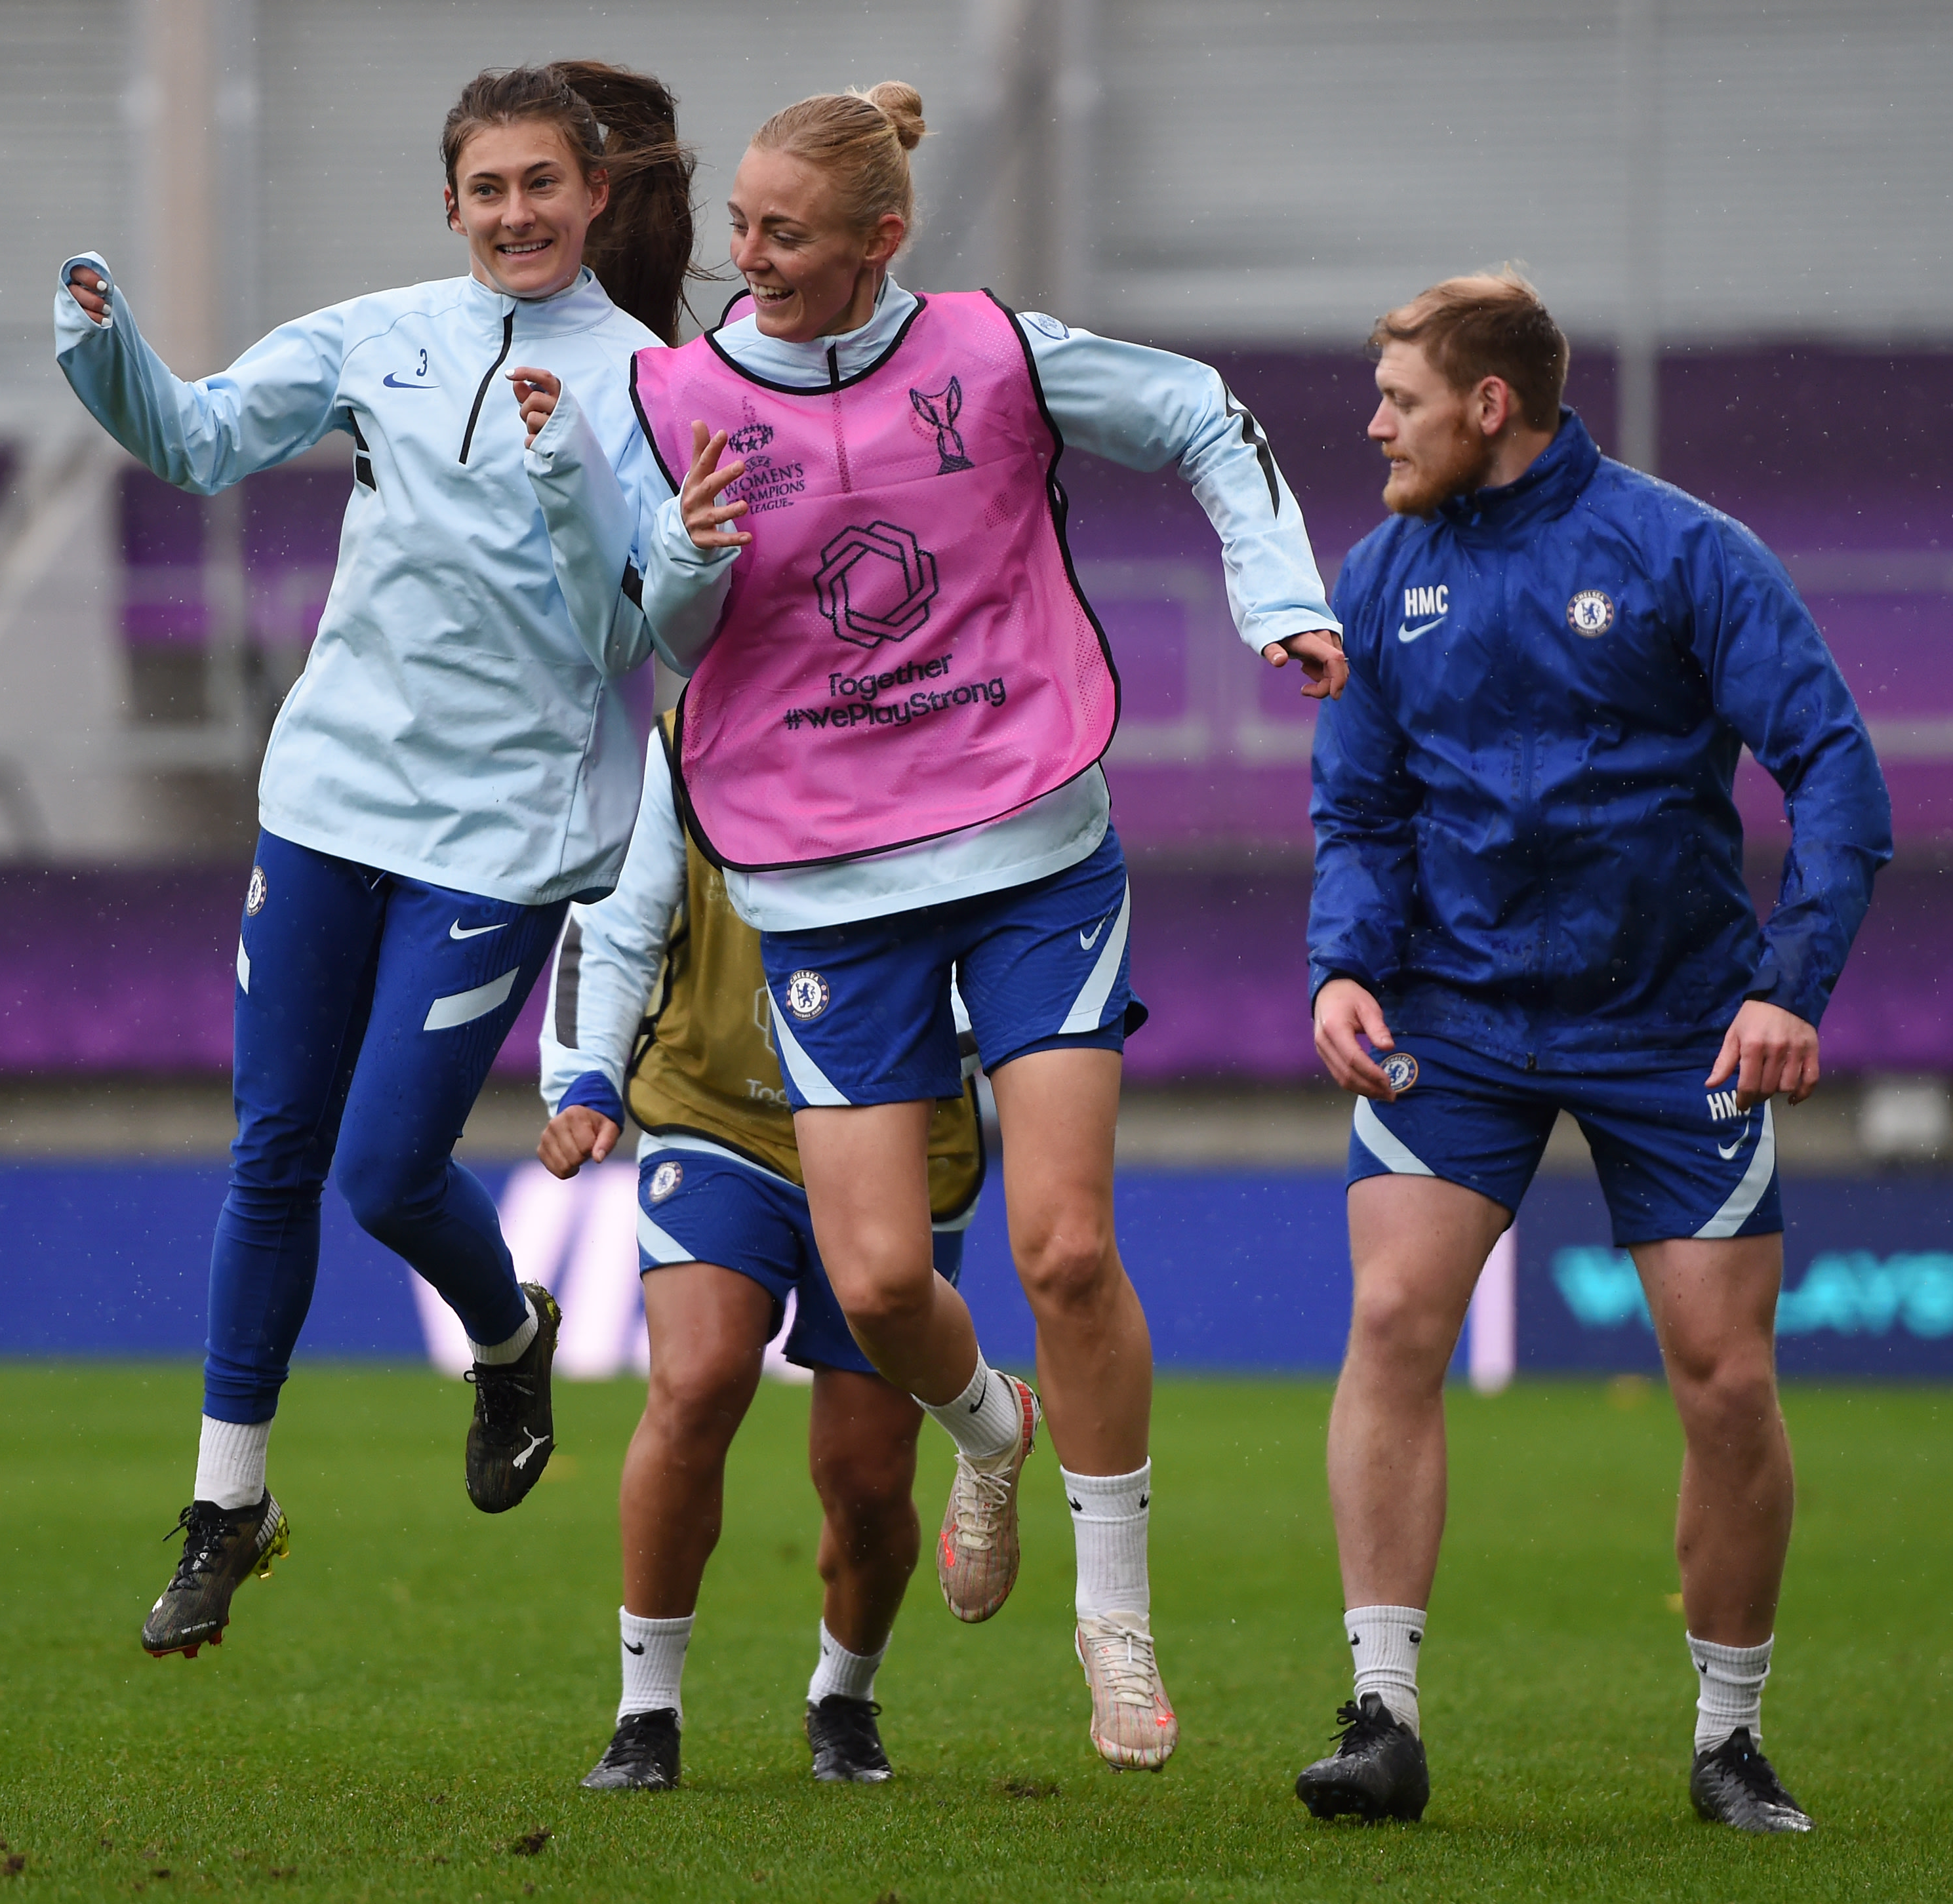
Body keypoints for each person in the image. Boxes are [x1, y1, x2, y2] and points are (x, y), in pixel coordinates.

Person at [519, 83, 1345, 1771]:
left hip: (1034, 840)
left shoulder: (992, 354)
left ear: (882, 239)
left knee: (1062, 1246)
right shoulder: (670, 396)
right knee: (886, 1283)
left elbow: (1198, 412)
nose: (747, 262)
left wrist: (1278, 596)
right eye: (740, 227)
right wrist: (682, 556)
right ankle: (993, 1428)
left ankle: (1112, 1626)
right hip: (823, 881)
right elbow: (642, 623)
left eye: (787, 235)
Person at [52, 64, 702, 1660]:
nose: (514, 215)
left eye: (542, 185)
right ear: (452, 203)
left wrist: (563, 477)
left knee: (384, 1171)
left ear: (594, 198)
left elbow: (635, 629)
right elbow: (201, 444)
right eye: (486, 190)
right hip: (329, 799)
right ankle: (225, 1510)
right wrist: (102, 348)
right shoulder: (377, 335)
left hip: (507, 831)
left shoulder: (657, 385)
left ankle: (508, 1338)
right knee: (271, 1152)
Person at [1294, 271, 1891, 1830]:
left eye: (1399, 399)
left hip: (1675, 1024)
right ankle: (1379, 1718)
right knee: (1393, 1321)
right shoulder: (1378, 575)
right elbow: (1357, 807)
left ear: (1489, 405)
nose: (1374, 425)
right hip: (1458, 1022)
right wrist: (1344, 965)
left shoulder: (1682, 550)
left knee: (1720, 1380)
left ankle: (1729, 1740)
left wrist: (1789, 985)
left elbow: (1832, 768)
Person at [537, 712, 987, 1791]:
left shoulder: (962, 727)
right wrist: (586, 1076)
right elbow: (617, 923)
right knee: (695, 1380)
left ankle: (845, 1696)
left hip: (901, 1136)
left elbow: (995, 958)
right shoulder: (688, 740)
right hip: (714, 1116)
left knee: (867, 1478)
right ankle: (646, 1718)